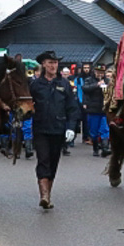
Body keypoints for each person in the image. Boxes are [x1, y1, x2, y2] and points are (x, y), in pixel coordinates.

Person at [29, 50, 79, 209]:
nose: (53, 66)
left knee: (53, 162)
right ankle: (44, 195)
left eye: (55, 63)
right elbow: (28, 106)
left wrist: (71, 128)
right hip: (41, 128)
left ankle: (48, 195)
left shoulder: (64, 83)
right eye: (50, 62)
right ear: (43, 64)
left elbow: (72, 107)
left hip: (58, 129)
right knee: (43, 160)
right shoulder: (35, 84)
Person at [81, 64, 111, 157]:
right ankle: (95, 148)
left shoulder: (108, 81)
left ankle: (105, 148)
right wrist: (97, 85)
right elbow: (85, 89)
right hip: (93, 109)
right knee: (94, 131)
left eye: (102, 72)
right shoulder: (89, 80)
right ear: (94, 71)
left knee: (105, 129)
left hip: (104, 109)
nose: (100, 74)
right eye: (98, 72)